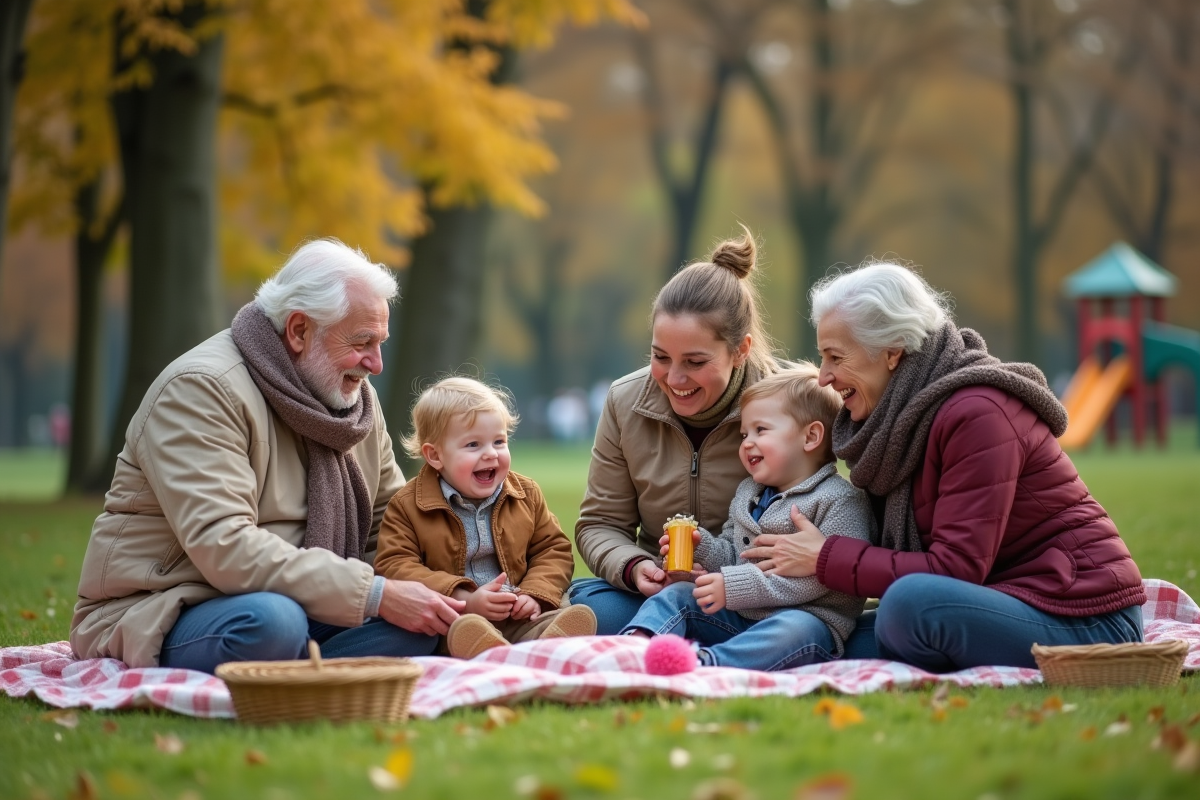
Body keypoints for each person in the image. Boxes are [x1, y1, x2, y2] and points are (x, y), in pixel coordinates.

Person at [70, 239, 466, 673]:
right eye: (362, 342)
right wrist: (376, 596)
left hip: (306, 602)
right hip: (173, 606)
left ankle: (297, 671)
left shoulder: (352, 399)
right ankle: (313, 666)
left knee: (432, 619)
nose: (376, 364)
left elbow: (393, 523)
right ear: (299, 331)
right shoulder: (201, 389)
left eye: (381, 343)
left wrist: (468, 585)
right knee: (273, 623)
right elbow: (226, 547)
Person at [741, 262, 1145, 671]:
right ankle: (713, 657)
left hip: (1086, 621)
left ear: (892, 351)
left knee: (907, 608)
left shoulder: (978, 413)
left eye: (835, 357)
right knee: (812, 629)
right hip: (1000, 602)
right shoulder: (891, 424)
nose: (824, 377)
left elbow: (955, 571)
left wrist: (827, 556)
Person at [570, 224, 779, 634]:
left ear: (741, 351)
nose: (675, 378)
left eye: (695, 362)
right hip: (653, 593)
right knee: (589, 602)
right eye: (661, 357)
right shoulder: (624, 402)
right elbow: (600, 524)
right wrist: (635, 567)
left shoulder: (786, 405)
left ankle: (665, 641)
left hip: (753, 596)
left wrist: (729, 580)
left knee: (797, 623)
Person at [620, 364, 875, 670]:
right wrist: (703, 548)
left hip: (807, 622)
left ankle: (708, 665)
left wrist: (733, 586)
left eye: (761, 430)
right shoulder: (749, 493)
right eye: (744, 433)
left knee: (797, 628)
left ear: (811, 437)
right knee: (680, 593)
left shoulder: (839, 500)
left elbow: (820, 580)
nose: (747, 443)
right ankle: (636, 646)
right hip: (741, 616)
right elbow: (735, 554)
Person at [374, 377, 596, 659]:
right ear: (435, 455)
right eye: (473, 445)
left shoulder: (525, 494)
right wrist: (464, 600)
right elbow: (395, 565)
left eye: (499, 441)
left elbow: (553, 549)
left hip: (517, 613)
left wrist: (534, 594)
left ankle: (544, 643)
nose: (491, 453)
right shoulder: (408, 506)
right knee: (463, 630)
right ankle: (493, 650)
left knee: (564, 615)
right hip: (457, 617)